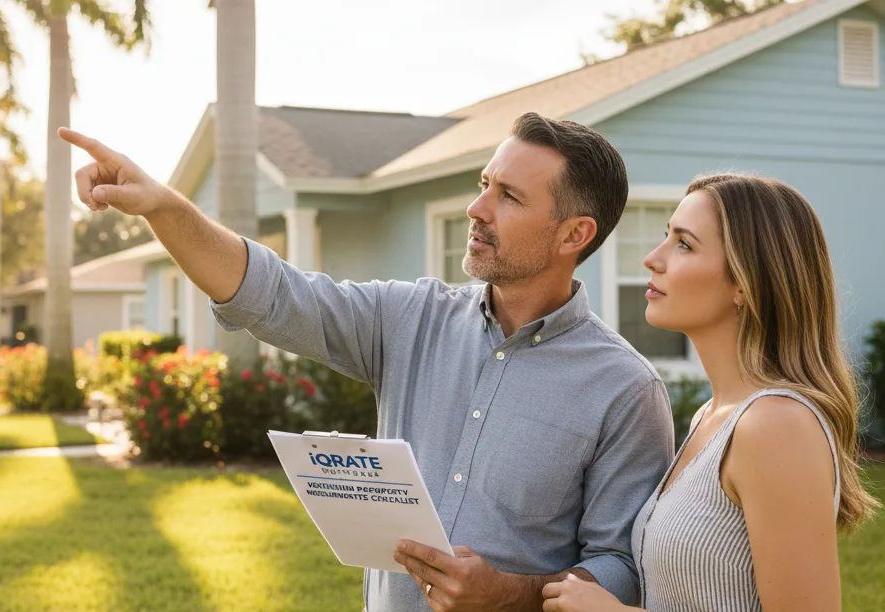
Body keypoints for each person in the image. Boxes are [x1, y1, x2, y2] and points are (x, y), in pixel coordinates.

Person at [60, 112, 675, 612]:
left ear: (573, 236)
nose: (477, 209)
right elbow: (274, 295)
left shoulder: (624, 390)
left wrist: (507, 596)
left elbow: (621, 567)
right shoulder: (410, 320)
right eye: (483, 184)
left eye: (508, 196)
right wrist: (164, 207)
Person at [541, 174, 881, 612]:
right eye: (667, 237)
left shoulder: (776, 425)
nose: (652, 259)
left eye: (684, 244)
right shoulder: (713, 415)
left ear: (745, 282)